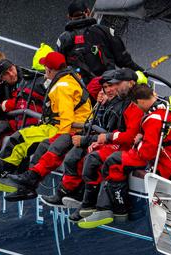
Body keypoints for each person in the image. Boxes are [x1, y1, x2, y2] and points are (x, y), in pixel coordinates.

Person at [78, 84, 171, 229]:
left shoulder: (153, 118)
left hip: (165, 167)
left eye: (136, 104)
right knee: (117, 158)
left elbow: (146, 153)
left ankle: (119, 212)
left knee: (113, 162)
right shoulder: (169, 109)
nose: (137, 108)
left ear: (141, 101)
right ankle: (105, 207)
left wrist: (138, 142)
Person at [0, 51, 92, 198]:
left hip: (64, 129)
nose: (43, 71)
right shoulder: (66, 79)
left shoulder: (62, 87)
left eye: (45, 67)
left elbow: (66, 120)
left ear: (50, 69)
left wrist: (60, 140)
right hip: (61, 126)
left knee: (22, 139)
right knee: (22, 138)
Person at [51, 69, 143, 223]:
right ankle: (80, 197)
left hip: (126, 146)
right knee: (79, 156)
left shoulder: (134, 105)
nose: (114, 88)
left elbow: (128, 136)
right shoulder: (120, 100)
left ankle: (91, 204)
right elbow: (94, 90)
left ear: (131, 83)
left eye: (118, 84)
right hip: (117, 141)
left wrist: (106, 138)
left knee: (93, 159)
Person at [56, 0, 142, 83]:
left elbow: (58, 68)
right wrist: (142, 71)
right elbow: (123, 60)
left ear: (69, 16)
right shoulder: (105, 31)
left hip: (78, 91)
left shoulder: (62, 39)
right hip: (106, 87)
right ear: (88, 11)